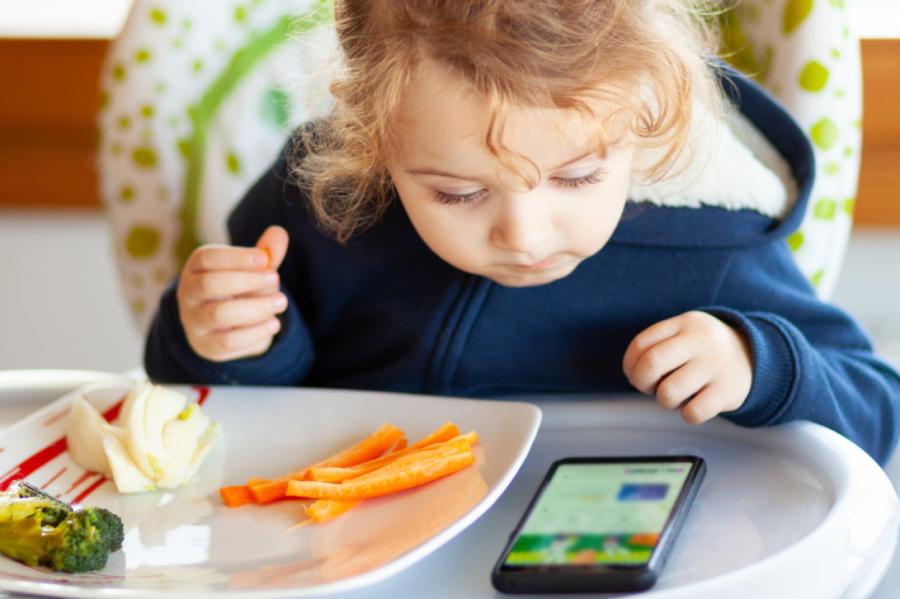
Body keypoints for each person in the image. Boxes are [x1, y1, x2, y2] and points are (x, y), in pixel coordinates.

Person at [145, 0, 900, 464]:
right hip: (350, 547)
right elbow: (203, 404)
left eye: (578, 177)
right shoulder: (315, 200)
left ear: (642, 110)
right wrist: (225, 338)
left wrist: (757, 362)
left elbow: (876, 409)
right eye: (459, 192)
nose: (524, 234)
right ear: (370, 130)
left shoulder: (711, 243)